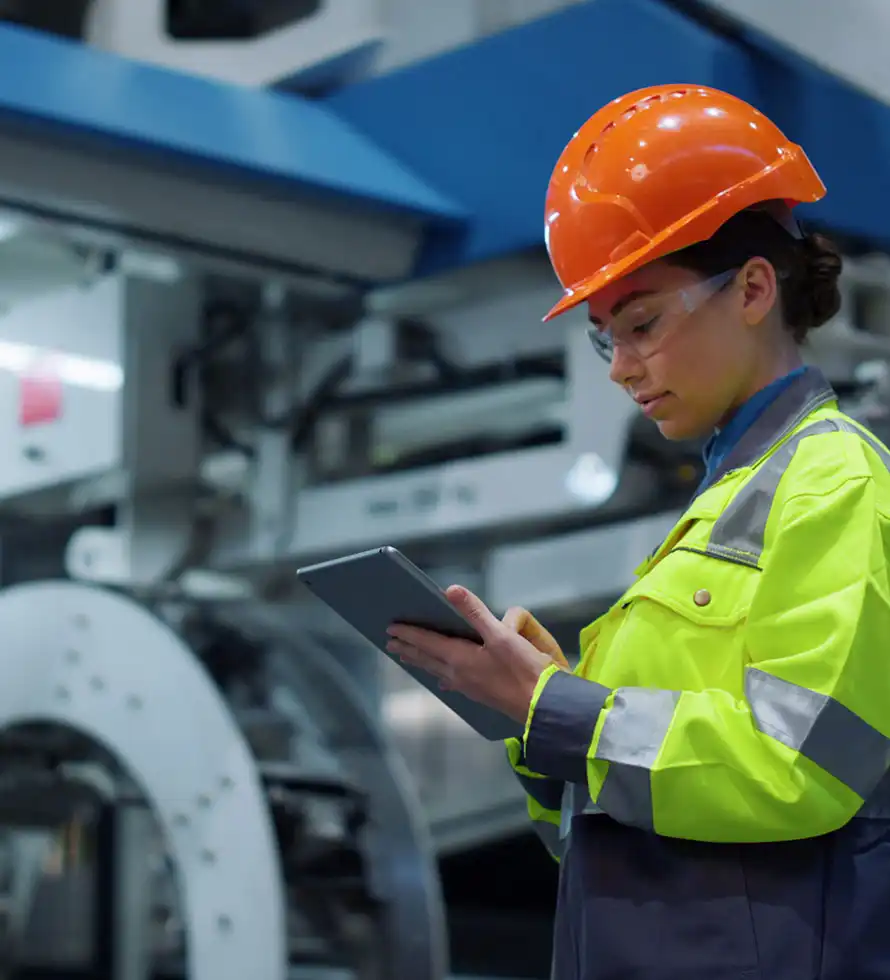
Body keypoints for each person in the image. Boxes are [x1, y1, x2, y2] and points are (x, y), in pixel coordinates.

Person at [384, 84, 890, 979]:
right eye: (603, 338)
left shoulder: (831, 481)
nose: (622, 368)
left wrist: (557, 707)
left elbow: (797, 764)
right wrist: (534, 716)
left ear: (754, 289)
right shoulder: (729, 503)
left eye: (643, 323)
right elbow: (603, 825)